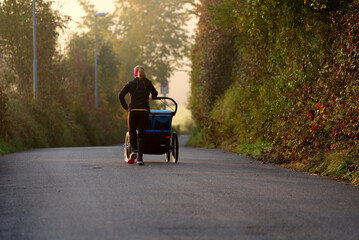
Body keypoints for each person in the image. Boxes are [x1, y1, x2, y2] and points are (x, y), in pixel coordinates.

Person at [119, 65, 158, 165]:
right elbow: (155, 93)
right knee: (141, 135)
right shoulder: (148, 83)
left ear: (135, 73)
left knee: (132, 132)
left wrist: (126, 107)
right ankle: (140, 158)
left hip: (133, 111)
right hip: (144, 111)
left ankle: (134, 151)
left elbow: (120, 95)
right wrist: (152, 97)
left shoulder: (131, 84)